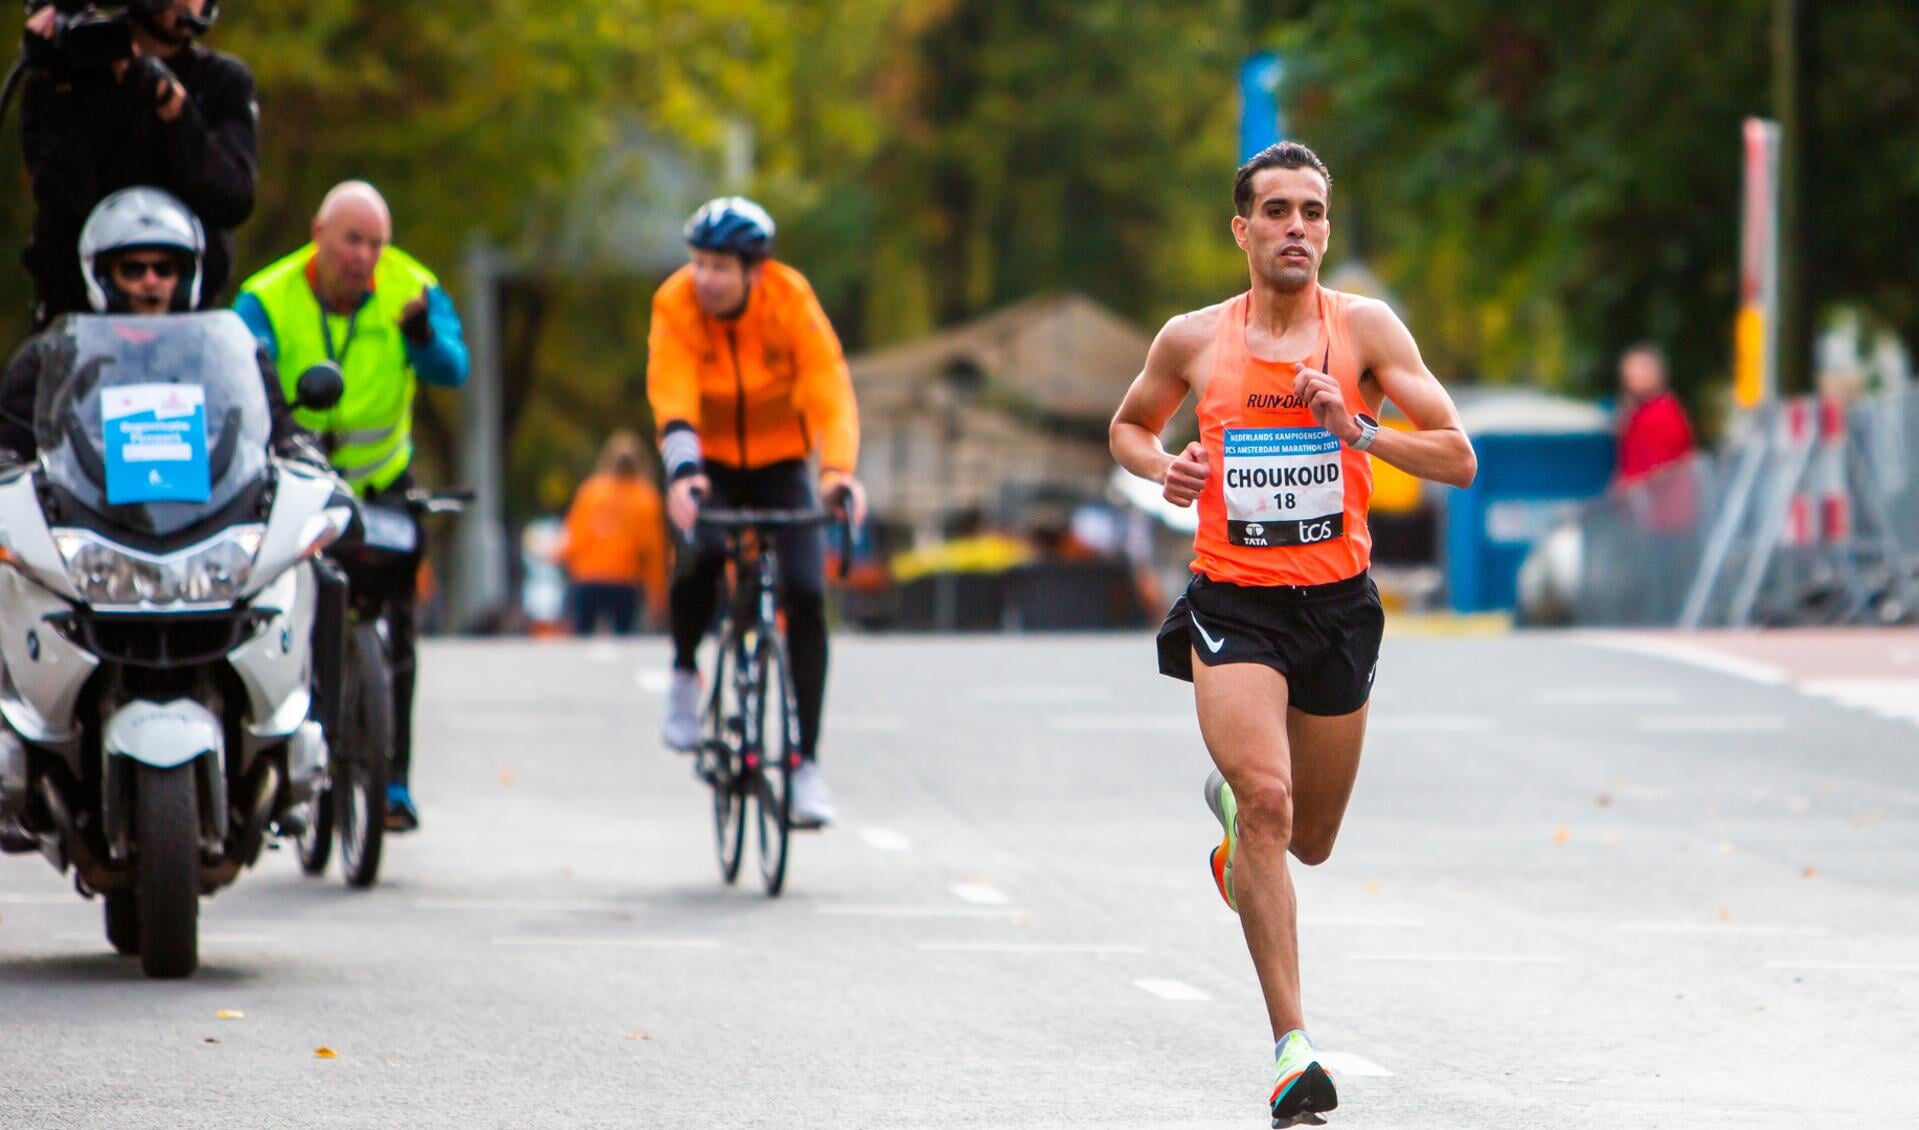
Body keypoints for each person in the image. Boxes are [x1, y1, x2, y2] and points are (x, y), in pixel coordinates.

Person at [1108, 141, 1476, 1128]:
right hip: (1232, 603)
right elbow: (1129, 425)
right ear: (1241, 229)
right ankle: (1290, 1048)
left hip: (1337, 605)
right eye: (1275, 211)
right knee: (1269, 800)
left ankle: (1238, 833)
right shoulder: (1192, 338)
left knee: (1305, 837)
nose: (1296, 229)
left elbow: (1458, 456)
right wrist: (1164, 468)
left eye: (1311, 212)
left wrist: (1360, 431)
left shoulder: (1362, 332)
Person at [233, 180, 469, 833]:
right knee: (286, 618)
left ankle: (393, 782)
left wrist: (422, 336)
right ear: (318, 232)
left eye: (376, 243)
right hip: (296, 484)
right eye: (353, 240)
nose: (366, 256)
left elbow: (453, 369)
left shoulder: (413, 287)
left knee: (396, 624)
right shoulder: (267, 297)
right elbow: (233, 377)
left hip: (379, 485)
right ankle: (282, 772)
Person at [647, 196, 866, 829]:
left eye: (720, 266)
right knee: (699, 558)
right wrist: (684, 474)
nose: (705, 278)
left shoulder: (789, 299)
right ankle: (686, 673)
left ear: (754, 270)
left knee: (803, 594)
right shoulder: (677, 303)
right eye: (699, 263)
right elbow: (672, 388)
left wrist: (837, 475)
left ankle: (804, 766)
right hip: (708, 462)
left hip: (779, 466)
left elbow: (829, 387)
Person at [0, 187, 309, 461]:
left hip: (211, 515)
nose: (151, 282)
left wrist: (297, 446)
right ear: (106, 277)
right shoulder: (56, 355)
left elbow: (276, 422)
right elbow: (11, 435)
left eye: (164, 269)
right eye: (133, 270)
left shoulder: (221, 353)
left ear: (184, 277)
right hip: (84, 517)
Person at [21, 0, 257, 324]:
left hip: (187, 325)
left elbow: (232, 199)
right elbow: (63, 198)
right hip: (78, 324)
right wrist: (57, 85)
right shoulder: (73, 71)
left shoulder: (222, 80)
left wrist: (172, 106)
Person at [560, 431, 668, 636]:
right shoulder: (646, 499)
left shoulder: (591, 493)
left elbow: (573, 539)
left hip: (588, 579)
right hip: (624, 581)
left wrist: (564, 564)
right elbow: (652, 551)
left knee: (581, 636)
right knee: (624, 636)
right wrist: (657, 594)